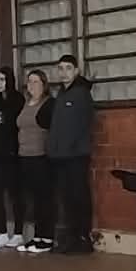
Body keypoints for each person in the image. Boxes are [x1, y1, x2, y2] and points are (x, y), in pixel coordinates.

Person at [48, 55, 97, 254]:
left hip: (76, 155)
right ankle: (70, 237)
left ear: (76, 71)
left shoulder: (81, 93)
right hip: (60, 156)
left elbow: (83, 124)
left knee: (79, 196)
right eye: (60, 68)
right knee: (66, 198)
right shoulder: (61, 94)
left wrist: (70, 146)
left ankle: (83, 238)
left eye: (68, 68)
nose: (64, 72)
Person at [0, 68, 28, 249]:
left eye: (2, 79)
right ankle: (1, 232)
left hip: (13, 156)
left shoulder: (18, 100)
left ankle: (18, 233)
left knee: (15, 195)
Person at [17, 70, 57, 254]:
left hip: (41, 156)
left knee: (44, 199)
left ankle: (47, 238)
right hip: (25, 155)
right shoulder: (26, 103)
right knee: (32, 199)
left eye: (36, 82)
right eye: (29, 82)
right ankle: (37, 236)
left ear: (43, 84)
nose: (32, 85)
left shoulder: (48, 103)